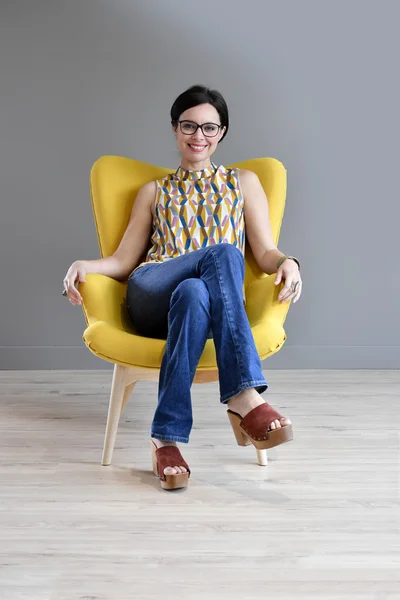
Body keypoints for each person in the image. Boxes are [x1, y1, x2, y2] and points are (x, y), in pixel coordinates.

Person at [63, 84, 302, 491]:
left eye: (209, 128)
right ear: (175, 129)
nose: (199, 136)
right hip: (151, 290)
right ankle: (244, 397)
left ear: (222, 132)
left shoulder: (242, 182)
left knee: (194, 291)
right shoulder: (155, 191)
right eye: (189, 126)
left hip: (204, 307)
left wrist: (289, 264)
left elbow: (265, 251)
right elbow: (124, 262)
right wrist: (83, 263)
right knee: (224, 253)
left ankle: (165, 439)